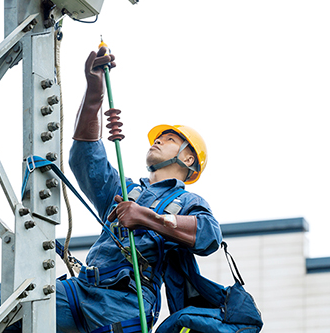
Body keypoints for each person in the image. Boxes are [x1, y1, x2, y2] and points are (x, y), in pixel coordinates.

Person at [54, 46, 223, 332]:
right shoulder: (126, 190)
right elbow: (84, 156)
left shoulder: (186, 200)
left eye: (168, 139)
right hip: (83, 290)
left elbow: (208, 235)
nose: (156, 142)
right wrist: (94, 93)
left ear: (188, 158)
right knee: (22, 305)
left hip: (126, 304)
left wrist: (146, 217)